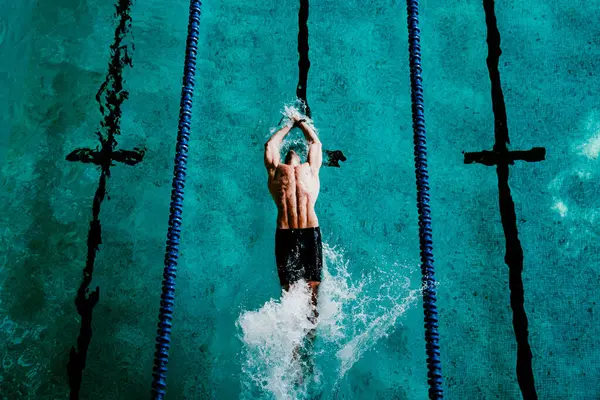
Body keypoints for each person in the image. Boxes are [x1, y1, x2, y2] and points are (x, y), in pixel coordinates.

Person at [264, 112, 323, 325]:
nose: (291, 153)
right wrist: (288, 125)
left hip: (309, 234)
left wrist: (302, 123)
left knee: (312, 293)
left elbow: (315, 143)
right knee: (289, 293)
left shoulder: (311, 171)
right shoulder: (276, 172)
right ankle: (293, 346)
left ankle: (310, 335)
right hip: (286, 234)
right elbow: (270, 145)